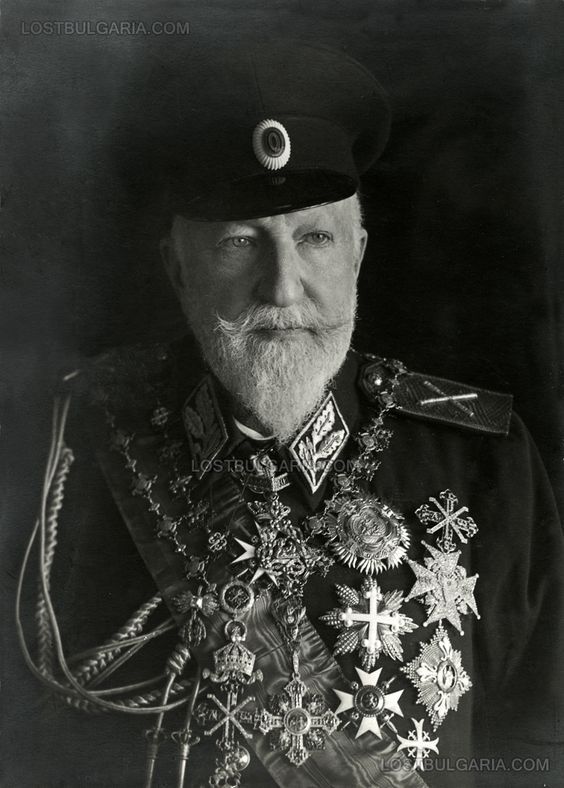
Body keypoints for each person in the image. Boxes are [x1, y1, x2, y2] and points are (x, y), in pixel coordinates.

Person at [17, 42, 564, 788]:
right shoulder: (70, 446)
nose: (283, 288)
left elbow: (540, 745)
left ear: (357, 254)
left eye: (314, 238)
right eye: (241, 243)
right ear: (178, 269)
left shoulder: (482, 460)